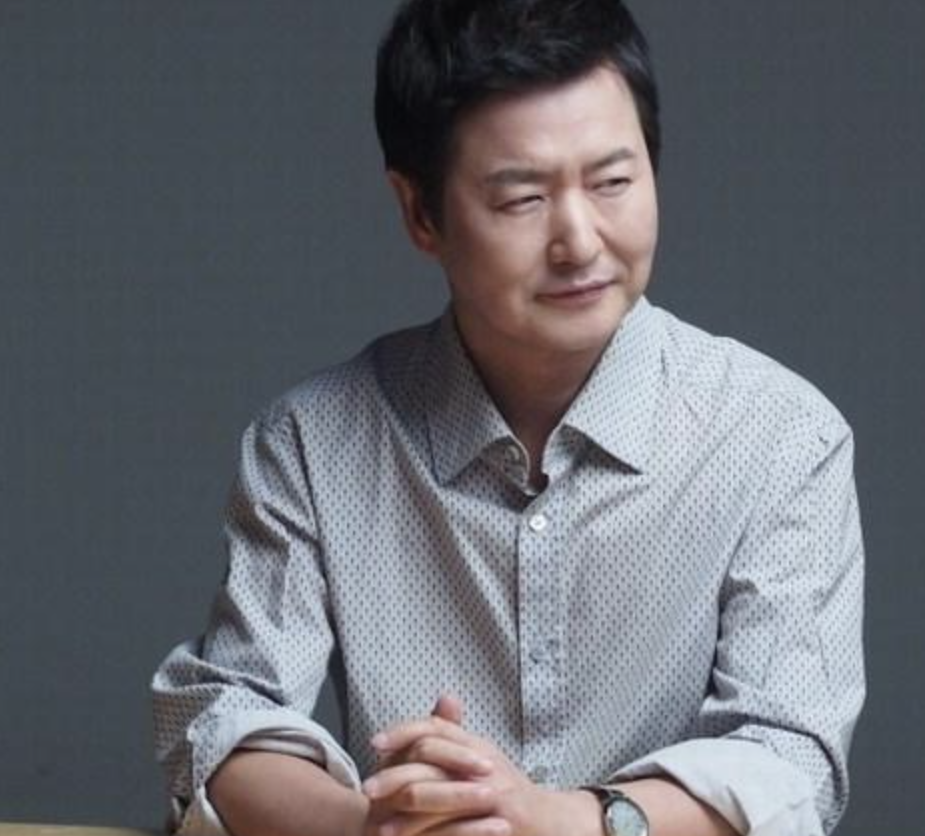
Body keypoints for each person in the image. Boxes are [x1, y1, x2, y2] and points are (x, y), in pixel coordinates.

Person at [151, 1, 865, 835]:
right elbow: (226, 721)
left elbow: (789, 759)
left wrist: (561, 822)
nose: (580, 241)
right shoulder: (314, 443)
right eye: (523, 198)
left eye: (613, 182)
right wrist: (384, 826)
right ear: (420, 213)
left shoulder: (780, 436)